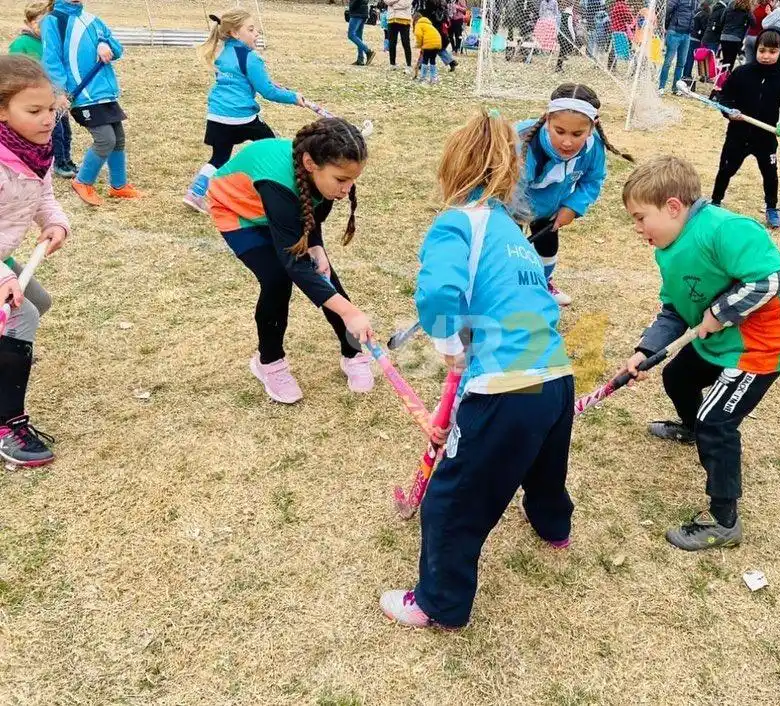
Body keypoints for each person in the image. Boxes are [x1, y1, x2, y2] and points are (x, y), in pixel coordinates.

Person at [378, 109, 576, 628]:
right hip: (556, 375)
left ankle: (439, 602)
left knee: (452, 500)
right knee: (543, 466)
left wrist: (448, 346)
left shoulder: (456, 223)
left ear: (452, 169)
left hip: (505, 387)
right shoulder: (514, 233)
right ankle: (555, 526)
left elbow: (439, 292)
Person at [622, 154, 780, 551]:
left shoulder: (727, 230)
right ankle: (692, 430)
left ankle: (725, 522)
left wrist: (719, 312)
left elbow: (771, 279)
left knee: (717, 420)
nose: (637, 228)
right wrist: (646, 350)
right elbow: (674, 309)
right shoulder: (666, 247)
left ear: (673, 207)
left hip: (760, 345)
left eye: (640, 217)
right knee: (677, 377)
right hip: (720, 339)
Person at [205, 119, 377, 401]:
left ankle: (352, 353)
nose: (347, 189)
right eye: (341, 180)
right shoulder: (279, 183)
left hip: (280, 212)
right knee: (277, 278)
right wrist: (350, 312)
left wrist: (317, 246)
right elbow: (293, 263)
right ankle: (269, 362)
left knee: (323, 274)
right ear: (310, 163)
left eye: (352, 180)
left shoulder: (323, 177)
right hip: (238, 211)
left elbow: (311, 213)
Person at [0, 55, 70, 467]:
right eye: (34, 111)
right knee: (21, 315)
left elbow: (43, 197)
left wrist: (55, 223)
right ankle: (7, 424)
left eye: (50, 109)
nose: (47, 120)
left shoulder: (33, 152)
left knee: (36, 303)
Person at [516, 83, 634, 306]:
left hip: (550, 209)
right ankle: (507, 289)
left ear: (592, 127)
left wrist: (572, 207)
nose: (567, 142)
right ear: (548, 120)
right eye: (559, 131)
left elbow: (592, 180)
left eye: (577, 133)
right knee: (508, 251)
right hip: (512, 206)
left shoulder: (593, 148)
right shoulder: (523, 143)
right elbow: (506, 189)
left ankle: (543, 283)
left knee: (548, 247)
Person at [184, 9, 309, 214]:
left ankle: (195, 193)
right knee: (273, 146)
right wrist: (293, 97)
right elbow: (267, 92)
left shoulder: (223, 53)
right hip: (241, 118)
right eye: (250, 30)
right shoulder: (251, 57)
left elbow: (239, 82)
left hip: (216, 116)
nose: (256, 33)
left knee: (219, 158)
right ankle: (282, 190)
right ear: (234, 33)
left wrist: (265, 83)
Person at [41, 0, 142, 207]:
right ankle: (82, 182)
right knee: (105, 140)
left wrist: (104, 43)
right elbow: (52, 59)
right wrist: (59, 92)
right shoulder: (53, 21)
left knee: (118, 139)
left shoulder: (92, 20)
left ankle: (119, 186)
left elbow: (117, 49)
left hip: (105, 92)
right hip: (82, 95)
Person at [711, 28, 780, 228]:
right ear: (756, 48)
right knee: (725, 169)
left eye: (772, 52)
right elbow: (724, 96)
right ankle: (715, 201)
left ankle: (772, 207)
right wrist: (728, 111)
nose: (766, 56)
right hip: (738, 134)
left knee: (770, 173)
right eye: (762, 50)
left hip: (765, 137)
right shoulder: (742, 72)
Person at [9, 1, 77, 179]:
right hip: (39, 98)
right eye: (39, 21)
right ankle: (59, 163)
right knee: (56, 132)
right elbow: (15, 72)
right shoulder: (21, 44)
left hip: (55, 96)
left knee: (65, 130)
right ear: (29, 22)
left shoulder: (51, 42)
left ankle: (67, 159)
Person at [659, 0, 699, 93]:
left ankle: (676, 88)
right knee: (668, 61)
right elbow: (668, 10)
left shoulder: (697, 1)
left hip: (687, 34)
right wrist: (667, 26)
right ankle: (661, 87)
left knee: (681, 63)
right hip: (674, 31)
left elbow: (694, 16)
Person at [719, 0, 754, 70]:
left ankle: (722, 77)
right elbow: (753, 23)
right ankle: (726, 78)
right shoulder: (746, 11)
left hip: (724, 36)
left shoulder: (728, 8)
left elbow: (721, 21)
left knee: (725, 60)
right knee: (731, 61)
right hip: (736, 38)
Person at [686, 0, 713, 80]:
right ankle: (688, 74)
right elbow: (704, 28)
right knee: (693, 57)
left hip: (692, 36)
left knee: (689, 57)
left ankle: (687, 73)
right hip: (698, 38)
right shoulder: (705, 15)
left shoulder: (697, 13)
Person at [414, 11, 443, 83]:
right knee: (432, 60)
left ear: (415, 19)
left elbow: (418, 35)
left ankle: (422, 77)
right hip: (437, 43)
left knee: (425, 60)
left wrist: (419, 45)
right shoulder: (428, 24)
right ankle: (433, 78)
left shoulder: (419, 24)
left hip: (429, 44)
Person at [386, 0, 414, 71]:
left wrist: (393, 5)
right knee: (392, 43)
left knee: (406, 42)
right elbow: (387, 1)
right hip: (391, 18)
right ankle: (392, 64)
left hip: (404, 19)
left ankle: (408, 65)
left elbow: (406, 4)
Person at [348, 0, 377, 66]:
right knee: (358, 36)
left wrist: (351, 7)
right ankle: (360, 59)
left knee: (351, 35)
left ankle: (368, 51)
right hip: (363, 12)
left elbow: (355, 2)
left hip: (357, 12)